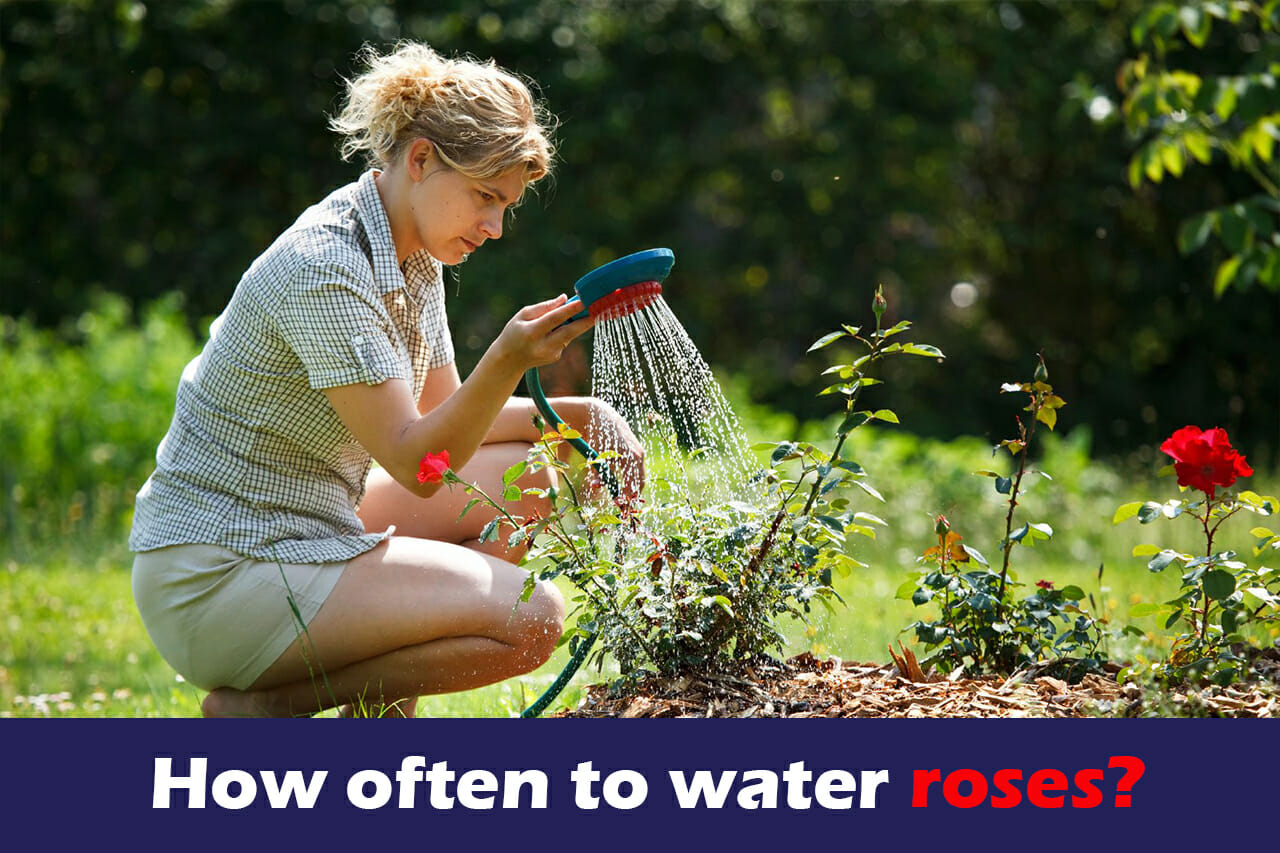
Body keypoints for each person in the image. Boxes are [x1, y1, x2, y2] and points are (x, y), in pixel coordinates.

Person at [128, 41, 642, 717]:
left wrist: (587, 418)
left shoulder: (411, 255)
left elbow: (449, 421)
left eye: (507, 206)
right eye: (485, 197)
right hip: (221, 574)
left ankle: (376, 735)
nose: (495, 227)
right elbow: (420, 464)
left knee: (526, 475)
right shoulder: (327, 268)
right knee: (534, 619)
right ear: (421, 159)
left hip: (309, 528)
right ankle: (269, 706)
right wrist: (507, 359)